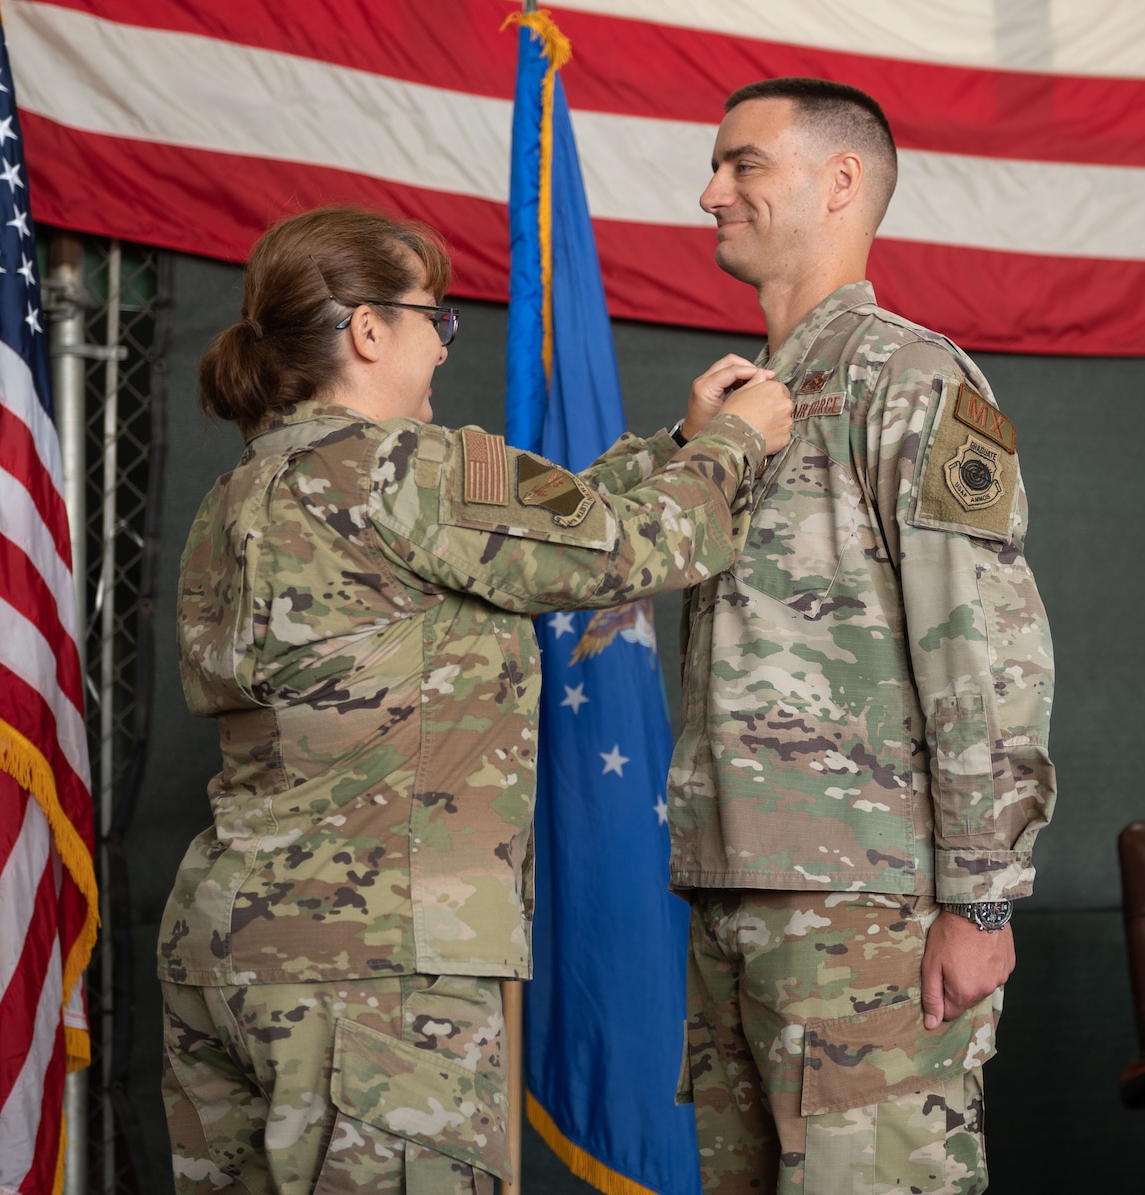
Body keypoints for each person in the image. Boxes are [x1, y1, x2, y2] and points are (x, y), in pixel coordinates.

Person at [159, 206, 792, 1195]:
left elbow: (546, 525)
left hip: (231, 946)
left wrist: (675, 439)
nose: (441, 348)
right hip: (375, 974)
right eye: (432, 319)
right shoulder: (410, 467)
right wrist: (738, 445)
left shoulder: (243, 490)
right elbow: (635, 546)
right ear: (368, 330)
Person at [668, 80, 1056, 1194]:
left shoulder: (911, 377)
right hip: (737, 890)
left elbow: (985, 649)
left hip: (870, 909)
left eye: (743, 165)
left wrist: (981, 897)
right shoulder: (738, 404)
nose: (710, 194)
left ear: (839, 182)